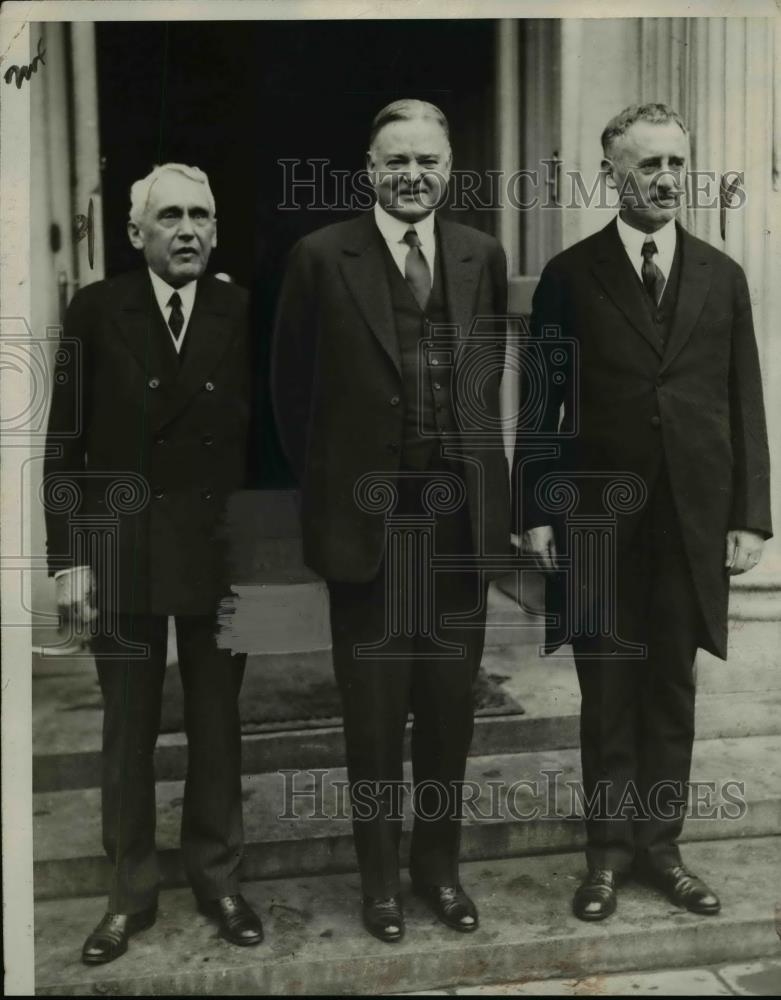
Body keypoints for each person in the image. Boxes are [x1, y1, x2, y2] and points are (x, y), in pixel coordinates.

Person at [513, 104, 771, 922]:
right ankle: (605, 857)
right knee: (607, 689)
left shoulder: (721, 276)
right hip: (596, 520)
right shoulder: (569, 275)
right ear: (610, 176)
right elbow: (542, 406)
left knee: (670, 687)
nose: (664, 179)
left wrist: (749, 516)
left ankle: (661, 849)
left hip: (690, 523)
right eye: (646, 165)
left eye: (674, 164)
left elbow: (744, 404)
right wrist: (537, 508)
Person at [272, 100, 509, 942]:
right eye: (396, 160)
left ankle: (437, 871)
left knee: (450, 707)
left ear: (450, 170)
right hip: (371, 527)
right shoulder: (318, 257)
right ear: (368, 169)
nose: (414, 174)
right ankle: (377, 883)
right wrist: (338, 493)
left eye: (429, 161)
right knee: (371, 712)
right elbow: (289, 398)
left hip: (458, 526)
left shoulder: (481, 253)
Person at [44, 163, 263, 964]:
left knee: (218, 725)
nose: (188, 230)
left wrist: (269, 562)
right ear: (135, 234)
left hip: (219, 550)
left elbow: (265, 444)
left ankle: (219, 879)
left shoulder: (242, 308)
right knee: (126, 729)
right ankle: (128, 893)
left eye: (201, 215)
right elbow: (63, 445)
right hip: (123, 547)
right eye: (169, 216)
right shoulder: (96, 310)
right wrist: (69, 558)